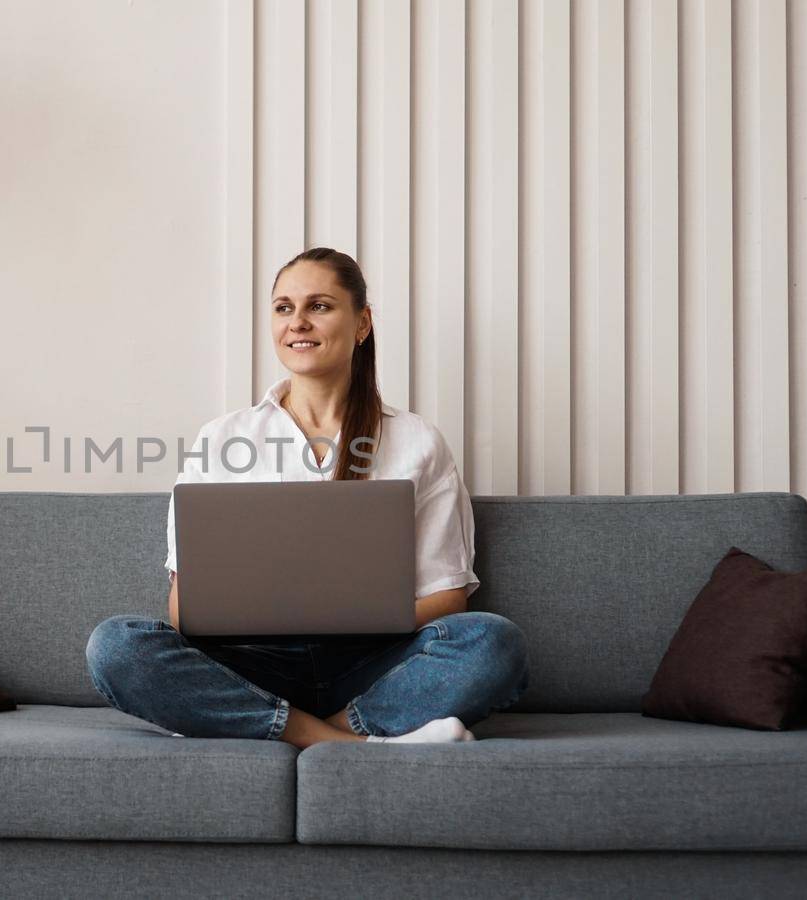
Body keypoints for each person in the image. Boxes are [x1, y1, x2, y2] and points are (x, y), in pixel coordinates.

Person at [85, 247, 529, 748]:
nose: (298, 322)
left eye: (319, 306)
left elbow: (449, 595)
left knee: (495, 643)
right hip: (252, 661)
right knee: (117, 647)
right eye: (283, 307)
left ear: (361, 324)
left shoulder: (417, 441)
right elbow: (185, 608)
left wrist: (354, 615)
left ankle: (272, 726)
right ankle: (349, 741)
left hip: (372, 664)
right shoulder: (222, 438)